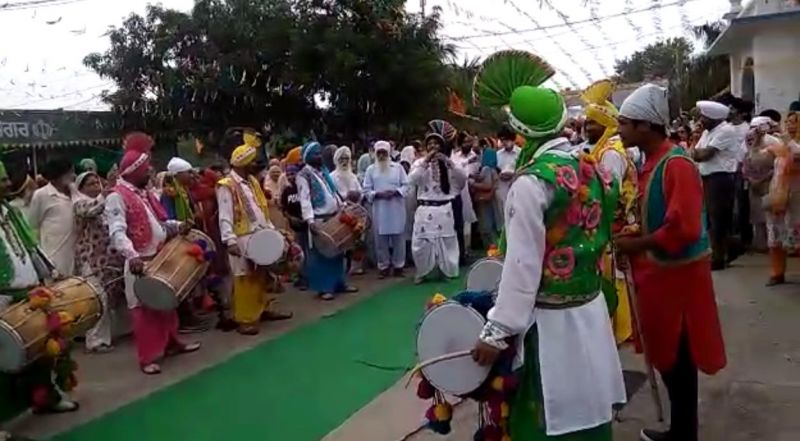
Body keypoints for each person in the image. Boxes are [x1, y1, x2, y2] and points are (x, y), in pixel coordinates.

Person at [471, 50, 625, 441]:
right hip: (591, 310)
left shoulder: (531, 183)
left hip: (550, 325)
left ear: (520, 131)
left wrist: (496, 331)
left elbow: (522, 267)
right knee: (590, 407)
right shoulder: (598, 169)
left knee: (551, 414)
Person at [615, 83, 726, 441]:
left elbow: (685, 228)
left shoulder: (676, 164)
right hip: (660, 275)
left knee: (680, 358)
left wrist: (638, 244)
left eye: (624, 123)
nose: (619, 130)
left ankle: (683, 433)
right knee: (670, 357)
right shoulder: (652, 162)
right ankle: (681, 430)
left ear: (645, 126)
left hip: (678, 280)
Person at [105, 132, 201, 374]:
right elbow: (117, 232)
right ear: (135, 171)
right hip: (139, 262)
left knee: (166, 305)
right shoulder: (117, 196)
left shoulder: (144, 193)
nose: (150, 173)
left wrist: (179, 226)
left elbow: (159, 223)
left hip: (159, 257)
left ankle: (172, 343)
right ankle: (147, 359)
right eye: (146, 169)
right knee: (143, 311)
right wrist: (132, 256)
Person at [0, 159, 80, 417]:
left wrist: (48, 274)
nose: (7, 184)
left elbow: (29, 245)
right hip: (3, 298)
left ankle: (46, 397)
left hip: (29, 292)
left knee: (43, 350)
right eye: (1, 180)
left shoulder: (7, 211)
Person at [580, 79, 638, 345]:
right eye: (586, 123)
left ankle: (622, 329)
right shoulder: (605, 148)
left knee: (615, 274)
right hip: (610, 223)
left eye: (592, 123)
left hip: (614, 223)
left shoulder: (611, 152)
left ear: (605, 125)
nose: (586, 128)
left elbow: (609, 192)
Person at [217, 138, 293, 335]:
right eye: (252, 161)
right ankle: (245, 319)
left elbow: (261, 209)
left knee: (262, 275)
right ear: (243, 163)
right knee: (244, 277)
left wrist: (272, 232)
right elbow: (225, 215)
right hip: (241, 237)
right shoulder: (226, 185)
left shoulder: (252, 182)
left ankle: (262, 309)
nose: (256, 164)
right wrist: (229, 240)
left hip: (260, 234)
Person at [297, 141, 359, 300]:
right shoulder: (303, 175)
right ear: (308, 157)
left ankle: (339, 283)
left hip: (334, 216)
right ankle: (324, 288)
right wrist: (310, 221)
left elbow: (333, 193)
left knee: (337, 252)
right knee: (322, 255)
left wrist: (342, 206)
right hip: (319, 220)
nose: (319, 156)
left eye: (320, 153)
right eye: (316, 154)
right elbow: (304, 199)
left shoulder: (323, 172)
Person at [160, 157, 213, 334]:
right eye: (188, 172)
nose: (192, 175)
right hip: (177, 240)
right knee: (179, 280)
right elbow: (166, 218)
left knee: (189, 279)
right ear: (177, 175)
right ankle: (184, 320)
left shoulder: (184, 191)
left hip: (187, 237)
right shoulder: (169, 194)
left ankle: (191, 314)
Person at [74, 171, 124, 353]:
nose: (96, 187)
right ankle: (95, 341)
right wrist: (106, 191)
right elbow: (92, 209)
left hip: (110, 258)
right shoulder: (79, 204)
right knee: (98, 299)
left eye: (97, 183)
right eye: (90, 184)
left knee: (113, 297)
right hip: (91, 258)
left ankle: (114, 334)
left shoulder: (106, 201)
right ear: (81, 188)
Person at [408, 130, 466, 284]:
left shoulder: (449, 163)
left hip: (444, 209)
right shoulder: (419, 163)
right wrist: (426, 161)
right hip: (425, 208)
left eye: (436, 144)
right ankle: (422, 272)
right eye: (430, 144)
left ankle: (447, 271)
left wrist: (449, 163)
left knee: (446, 242)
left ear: (442, 146)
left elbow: (462, 179)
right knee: (420, 244)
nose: (433, 147)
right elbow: (412, 180)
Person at [742, 117, 794, 285]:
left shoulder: (784, 144)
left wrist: (789, 144)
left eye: (796, 122)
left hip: (797, 195)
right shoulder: (776, 145)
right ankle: (777, 273)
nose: (792, 126)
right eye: (790, 122)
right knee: (775, 234)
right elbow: (754, 160)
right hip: (778, 193)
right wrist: (756, 144)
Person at [691, 100, 740, 270]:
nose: (700, 121)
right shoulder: (708, 133)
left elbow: (703, 155)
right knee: (711, 219)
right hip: (708, 177)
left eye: (703, 117)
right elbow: (694, 152)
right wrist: (696, 150)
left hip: (721, 178)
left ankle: (721, 256)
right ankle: (720, 252)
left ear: (713, 117)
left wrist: (696, 152)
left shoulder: (726, 130)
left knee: (719, 218)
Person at [362, 140, 409, 278]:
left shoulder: (398, 168)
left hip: (396, 207)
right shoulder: (371, 170)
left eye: (384, 152)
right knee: (380, 239)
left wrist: (396, 192)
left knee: (398, 237)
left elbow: (406, 185)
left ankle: (399, 266)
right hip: (380, 208)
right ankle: (383, 266)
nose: (382, 155)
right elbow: (366, 189)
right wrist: (378, 194)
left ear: (389, 153)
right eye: (379, 153)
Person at [27, 158, 77, 276]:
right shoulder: (41, 195)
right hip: (53, 256)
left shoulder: (75, 191)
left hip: (77, 254)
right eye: (69, 172)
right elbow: (33, 225)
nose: (73, 176)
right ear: (58, 175)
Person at [331, 145, 365, 275]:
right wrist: (346, 198)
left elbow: (360, 192)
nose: (344, 162)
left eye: (346, 159)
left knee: (355, 241)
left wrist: (356, 196)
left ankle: (355, 266)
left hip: (355, 213)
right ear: (337, 160)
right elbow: (332, 195)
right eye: (342, 159)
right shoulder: (332, 177)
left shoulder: (353, 176)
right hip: (339, 214)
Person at [451, 132, 479, 262]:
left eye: (469, 142)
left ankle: (466, 251)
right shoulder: (455, 156)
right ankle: (457, 252)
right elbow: (458, 170)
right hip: (456, 192)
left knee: (467, 221)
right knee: (456, 223)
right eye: (465, 142)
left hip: (469, 191)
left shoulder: (475, 156)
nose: (467, 145)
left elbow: (473, 172)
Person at [280, 164, 308, 290]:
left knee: (309, 251)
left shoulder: (303, 187)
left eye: (293, 174)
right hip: (295, 227)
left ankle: (309, 277)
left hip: (307, 224)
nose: (291, 177)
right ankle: (301, 278)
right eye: (288, 174)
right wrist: (291, 219)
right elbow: (283, 209)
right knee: (298, 253)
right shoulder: (286, 191)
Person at [470, 147, 499, 248]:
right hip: (490, 201)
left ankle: (492, 249)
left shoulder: (486, 168)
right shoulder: (493, 169)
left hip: (485, 202)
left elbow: (487, 185)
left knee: (487, 226)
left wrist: (472, 183)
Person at [495, 125, 521, 226]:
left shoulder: (520, 154)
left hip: (516, 190)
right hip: (501, 192)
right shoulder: (498, 155)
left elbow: (524, 170)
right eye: (502, 140)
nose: (505, 142)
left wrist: (513, 174)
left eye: (507, 139)